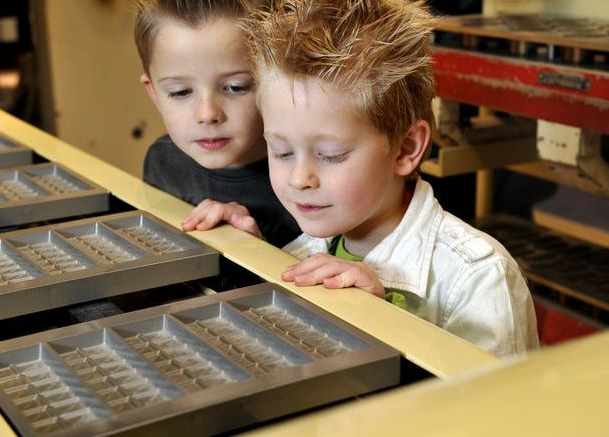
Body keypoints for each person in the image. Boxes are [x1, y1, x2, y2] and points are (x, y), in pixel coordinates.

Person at [193, 0, 538, 356]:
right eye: (280, 152)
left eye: (330, 155)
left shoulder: (479, 279)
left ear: (405, 149)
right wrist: (252, 261)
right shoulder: (303, 248)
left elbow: (492, 408)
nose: (299, 179)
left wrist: (383, 321)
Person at [133, 0, 300, 248]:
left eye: (236, 87)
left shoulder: (304, 178)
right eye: (180, 92)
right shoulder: (162, 161)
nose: (208, 114)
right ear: (154, 94)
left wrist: (258, 250)